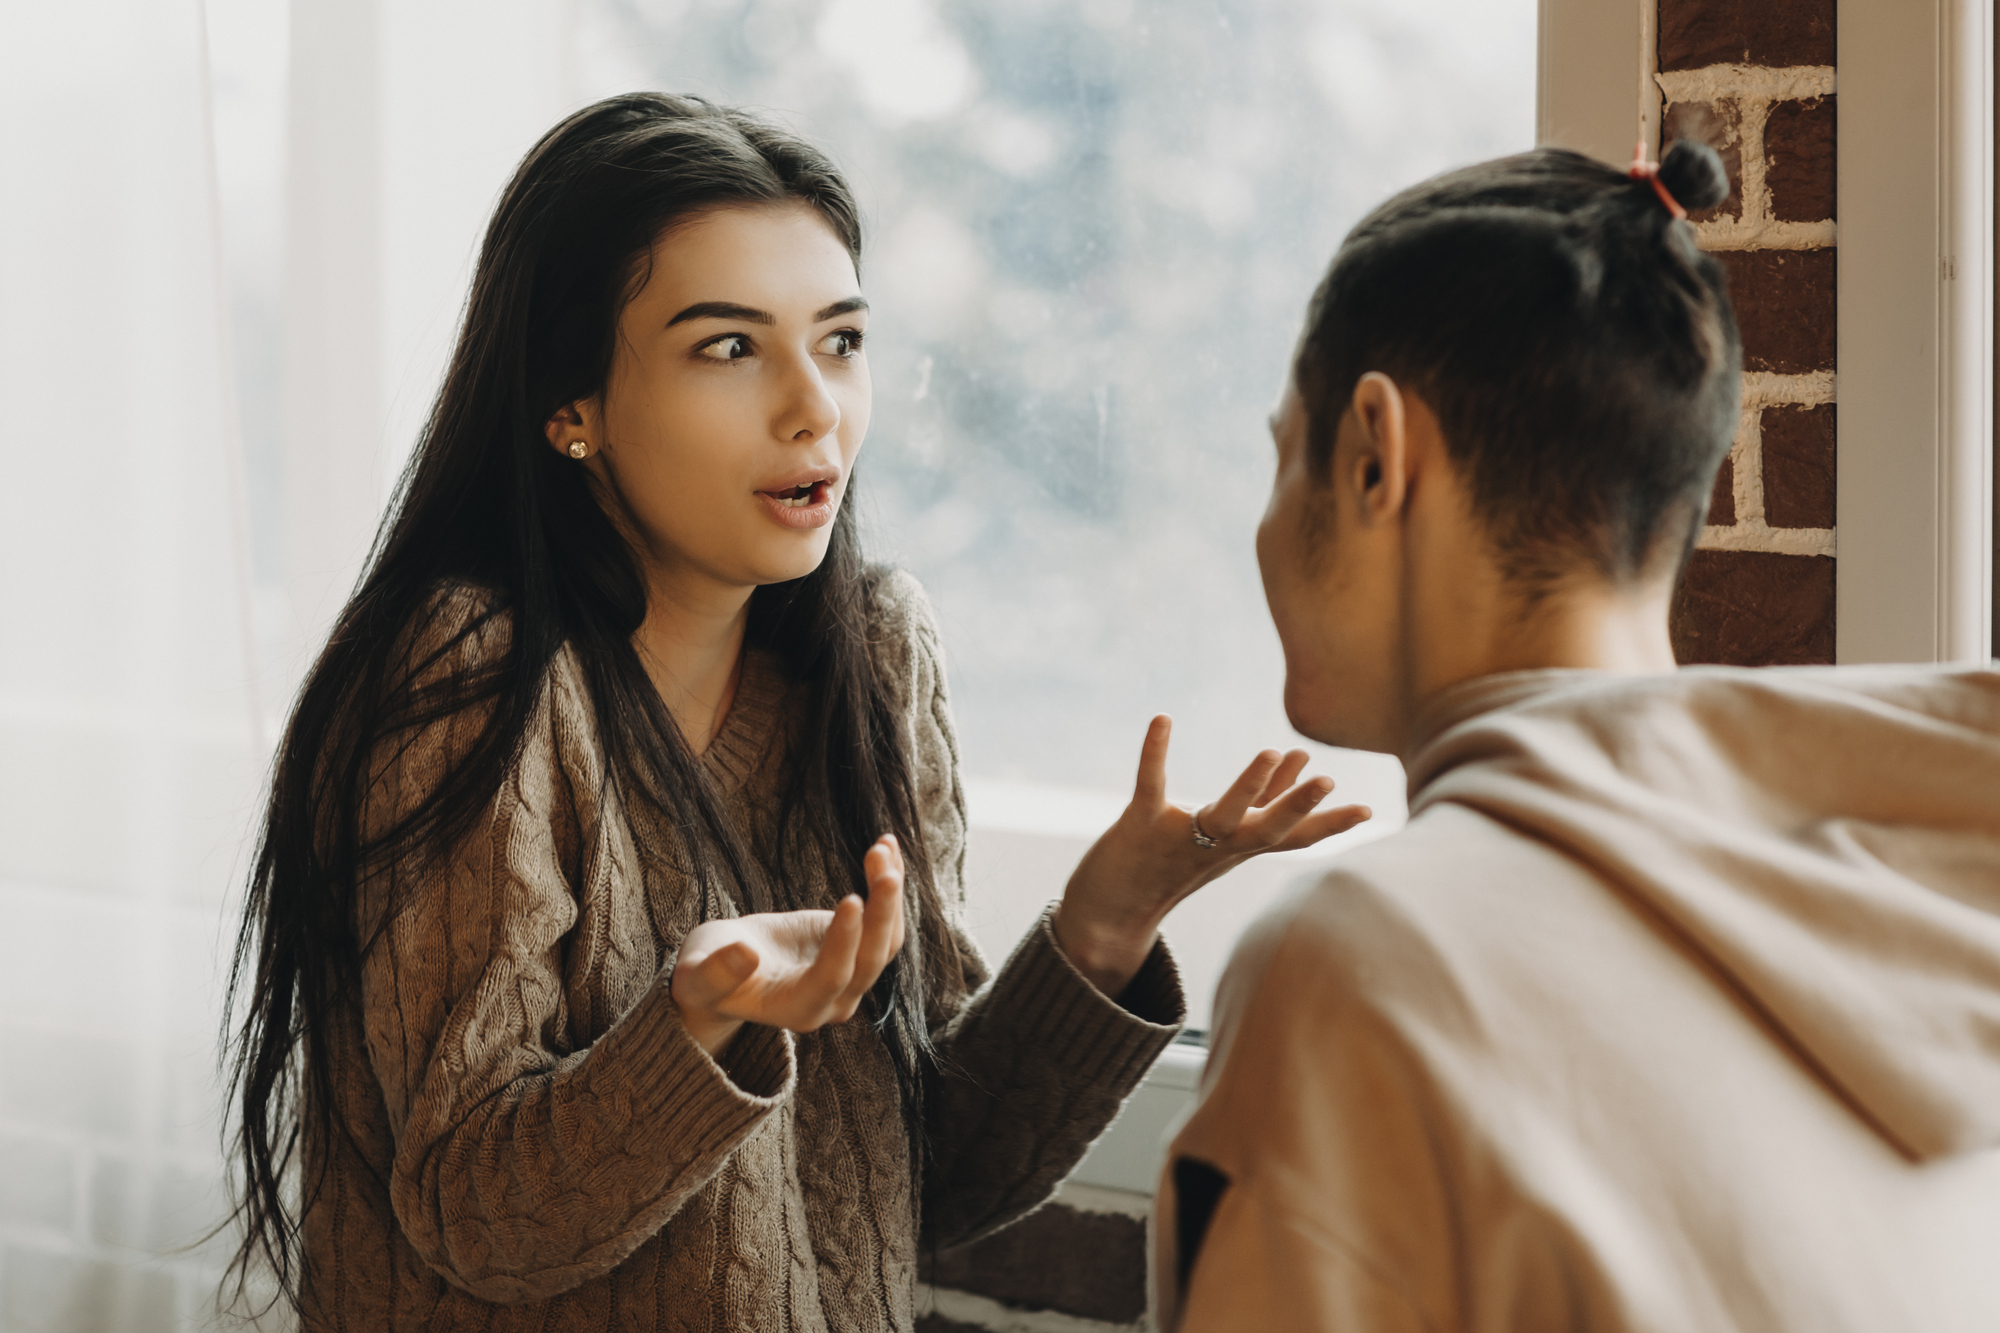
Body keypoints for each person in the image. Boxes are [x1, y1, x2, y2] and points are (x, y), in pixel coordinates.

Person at [221, 93, 1370, 1332]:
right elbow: (475, 1212)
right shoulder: (469, 676)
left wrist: (1103, 924)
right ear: (572, 408)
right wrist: (699, 1019)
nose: (812, 406)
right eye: (729, 347)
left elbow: (920, 1179)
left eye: (840, 340)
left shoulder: (873, 654)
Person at [1155, 139, 2000, 1332]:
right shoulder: (1911, 887)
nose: (1263, 521)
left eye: (1282, 457)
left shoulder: (1363, 964)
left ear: (1372, 457)